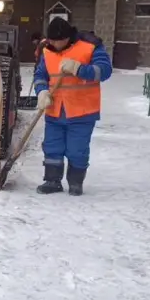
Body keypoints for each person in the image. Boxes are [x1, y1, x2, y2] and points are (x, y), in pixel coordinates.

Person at [33, 17, 113, 196]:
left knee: (77, 150)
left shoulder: (90, 46)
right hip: (55, 110)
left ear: (68, 37)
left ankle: (75, 183)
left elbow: (105, 71)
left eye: (58, 40)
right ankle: (52, 181)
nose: (54, 43)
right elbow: (40, 75)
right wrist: (41, 91)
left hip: (82, 111)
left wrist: (79, 68)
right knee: (53, 148)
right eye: (51, 40)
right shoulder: (47, 50)